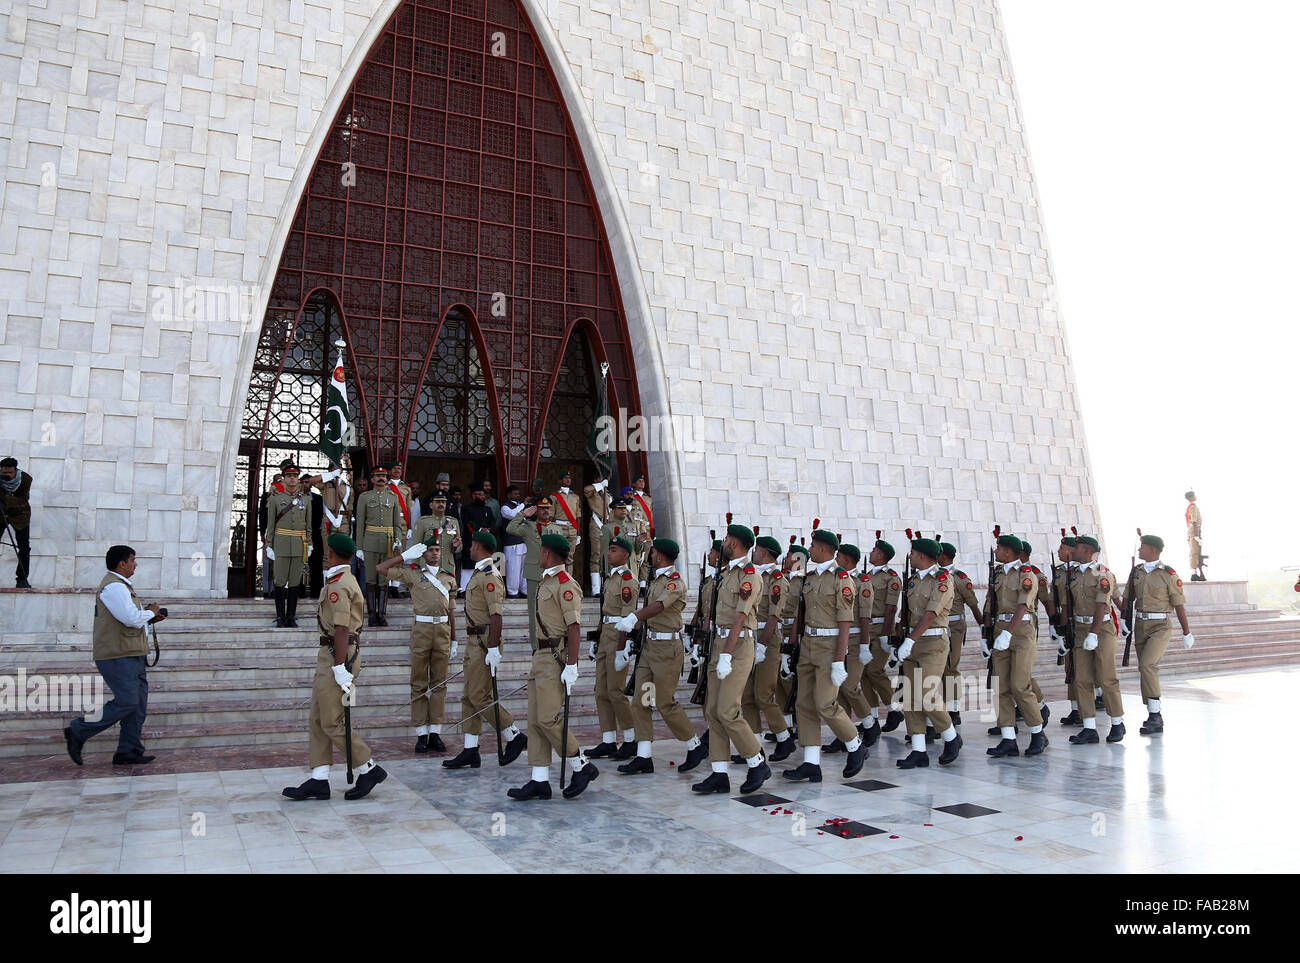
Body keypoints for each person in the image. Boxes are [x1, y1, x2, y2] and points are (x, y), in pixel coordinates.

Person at [282, 533, 387, 800]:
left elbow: (341, 627)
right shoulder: (340, 580)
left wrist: (340, 666)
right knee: (318, 718)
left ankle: (368, 767)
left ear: (330, 553)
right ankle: (319, 778)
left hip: (337, 653)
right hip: (331, 653)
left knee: (332, 719)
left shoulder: (339, 584)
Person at [507, 533, 598, 800]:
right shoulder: (548, 580)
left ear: (548, 554)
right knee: (536, 721)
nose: (539, 555)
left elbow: (574, 626)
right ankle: (539, 780)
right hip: (541, 655)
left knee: (548, 718)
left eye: (541, 551)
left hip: (555, 657)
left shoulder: (564, 584)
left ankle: (580, 764)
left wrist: (572, 664)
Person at [63, 545, 168, 766]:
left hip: (131, 652)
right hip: (117, 654)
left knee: (137, 705)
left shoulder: (121, 586)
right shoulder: (114, 587)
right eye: (133, 559)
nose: (135, 563)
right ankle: (78, 730)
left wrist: (150, 618)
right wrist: (151, 612)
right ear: (122, 563)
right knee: (128, 701)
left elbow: (130, 620)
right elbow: (130, 618)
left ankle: (128, 751)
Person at [614, 538, 708, 776]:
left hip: (667, 651)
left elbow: (658, 606)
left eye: (653, 552)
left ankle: (694, 745)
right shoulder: (656, 578)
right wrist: (630, 643)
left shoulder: (675, 582)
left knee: (665, 702)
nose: (650, 555)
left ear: (661, 555)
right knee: (641, 701)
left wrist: (634, 617)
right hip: (649, 648)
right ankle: (643, 756)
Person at [781, 529, 867, 782]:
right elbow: (799, 612)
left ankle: (855, 745)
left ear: (824, 549)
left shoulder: (842, 579)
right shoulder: (809, 577)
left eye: (813, 546)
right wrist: (790, 646)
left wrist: (840, 659)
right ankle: (811, 762)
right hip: (808, 644)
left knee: (825, 703)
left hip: (830, 647)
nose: (809, 549)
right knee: (804, 704)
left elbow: (845, 621)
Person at [692, 523, 772, 796]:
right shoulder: (725, 574)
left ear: (734, 544)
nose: (722, 543)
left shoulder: (749, 575)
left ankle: (756, 761)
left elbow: (740, 616)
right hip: (719, 644)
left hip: (737, 647)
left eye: (726, 539)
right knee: (713, 710)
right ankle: (719, 773)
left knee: (727, 709)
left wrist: (726, 654)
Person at [444, 532, 528, 768]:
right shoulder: (480, 573)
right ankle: (471, 749)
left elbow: (496, 615)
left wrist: (493, 647)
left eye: (472, 545)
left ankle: (513, 735)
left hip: (483, 641)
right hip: (474, 641)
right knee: (469, 697)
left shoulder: (490, 576)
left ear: (480, 547)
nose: (469, 548)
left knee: (480, 697)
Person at [377, 535, 458, 754]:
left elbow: (452, 609)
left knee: (439, 684)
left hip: (443, 631)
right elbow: (380, 568)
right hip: (421, 631)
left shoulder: (449, 577)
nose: (434, 553)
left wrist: (455, 638)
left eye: (437, 550)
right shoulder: (413, 573)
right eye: (430, 550)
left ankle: (436, 733)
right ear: (423, 554)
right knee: (419, 683)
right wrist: (403, 556)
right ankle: (421, 734)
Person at [894, 538, 962, 769]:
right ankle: (918, 750)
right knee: (910, 697)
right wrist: (897, 637)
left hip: (933, 642)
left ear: (922, 556)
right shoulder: (912, 580)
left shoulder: (942, 580)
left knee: (927, 693)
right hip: (913, 641)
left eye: (912, 553)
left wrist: (910, 641)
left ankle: (951, 737)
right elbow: (907, 612)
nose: (910, 556)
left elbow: (931, 614)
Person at [1120, 534, 1194, 735]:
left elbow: (1179, 604)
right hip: (1141, 624)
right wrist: (1123, 619)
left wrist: (1186, 632)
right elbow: (1127, 597)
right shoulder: (1136, 572)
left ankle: (1155, 715)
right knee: (1144, 669)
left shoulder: (1168, 574)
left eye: (1142, 547)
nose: (1139, 550)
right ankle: (1152, 712)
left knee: (1148, 664)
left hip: (1161, 625)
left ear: (1152, 550)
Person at [984, 534, 1048, 758]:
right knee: (1000, 686)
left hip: (1020, 632)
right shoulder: (999, 573)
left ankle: (1037, 733)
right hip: (1001, 630)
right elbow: (991, 603)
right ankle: (1008, 738)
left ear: (1009, 552)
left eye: (998, 548)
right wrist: (987, 635)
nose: (995, 551)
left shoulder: (1026, 574)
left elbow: (1023, 605)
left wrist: (1008, 634)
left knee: (1020, 685)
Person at [584, 535, 639, 761]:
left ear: (626, 555)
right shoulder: (610, 578)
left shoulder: (628, 579)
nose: (610, 553)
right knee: (601, 691)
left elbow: (628, 616)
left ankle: (630, 739)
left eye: (614, 550)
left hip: (618, 634)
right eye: (609, 549)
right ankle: (608, 740)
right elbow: (604, 612)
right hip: (606, 633)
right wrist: (595, 640)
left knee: (616, 691)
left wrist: (622, 647)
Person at [1067, 535, 1125, 744]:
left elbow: (1102, 604)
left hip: (1101, 629)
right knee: (1082, 678)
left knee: (1106, 676)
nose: (1073, 551)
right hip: (1081, 629)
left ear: (1087, 551)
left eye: (1078, 547)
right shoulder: (1073, 574)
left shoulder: (1102, 574)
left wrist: (1094, 633)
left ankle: (1117, 723)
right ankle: (1089, 727)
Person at [742, 535, 796, 758]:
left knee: (763, 694)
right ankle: (754, 747)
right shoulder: (753, 575)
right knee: (747, 697)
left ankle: (784, 739)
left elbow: (774, 617)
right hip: (751, 636)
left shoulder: (777, 579)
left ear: (764, 553)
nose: (753, 554)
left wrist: (762, 646)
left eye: (756, 550)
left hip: (768, 639)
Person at [505, 496, 565, 648]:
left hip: (553, 574)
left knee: (554, 609)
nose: (545, 510)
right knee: (534, 611)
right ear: (536, 510)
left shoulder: (557, 528)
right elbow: (510, 529)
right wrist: (523, 514)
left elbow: (564, 551)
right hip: (534, 573)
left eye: (547, 508)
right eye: (542, 508)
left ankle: (553, 641)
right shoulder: (528, 526)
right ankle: (535, 645)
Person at [936, 542, 982, 727]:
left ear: (944, 557)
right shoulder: (935, 577)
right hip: (937, 627)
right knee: (939, 669)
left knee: (951, 667)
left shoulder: (959, 578)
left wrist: (984, 632)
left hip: (954, 627)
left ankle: (954, 709)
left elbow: (973, 605)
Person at [263, 465, 313, 628]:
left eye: (295, 475)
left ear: (298, 479)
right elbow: (270, 524)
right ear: (284, 478)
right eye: (289, 475)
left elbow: (308, 525)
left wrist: (309, 543)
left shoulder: (305, 500)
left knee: (294, 582)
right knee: (280, 580)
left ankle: (291, 617)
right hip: (281, 543)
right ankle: (280, 617)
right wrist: (269, 544)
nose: (292, 478)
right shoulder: (276, 499)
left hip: (299, 543)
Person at [354, 466, 403, 626]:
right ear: (372, 479)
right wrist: (359, 547)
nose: (381, 478)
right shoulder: (364, 497)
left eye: (383, 475)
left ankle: (381, 615)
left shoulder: (393, 497)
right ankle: (371, 615)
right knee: (370, 579)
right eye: (378, 476)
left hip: (388, 543)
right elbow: (359, 524)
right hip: (370, 541)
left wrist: (398, 539)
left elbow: (397, 523)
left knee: (384, 579)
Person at [1, 456, 33, 588]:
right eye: (4, 473)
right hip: (1, 514)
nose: (7, 475)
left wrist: (5, 500)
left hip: (20, 516)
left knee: (24, 547)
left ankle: (22, 578)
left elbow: (23, 500)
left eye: (10, 473)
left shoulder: (25, 479)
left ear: (15, 470)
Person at [412, 492, 461, 579]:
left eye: (443, 502)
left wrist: (456, 546)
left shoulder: (453, 522)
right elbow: (416, 547)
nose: (441, 504)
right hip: (427, 566)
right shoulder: (422, 522)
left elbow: (459, 547)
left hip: (447, 566)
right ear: (431, 505)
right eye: (438, 502)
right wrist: (415, 567)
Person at [458, 483, 495, 594]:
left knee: (483, 566)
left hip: (484, 543)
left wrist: (488, 529)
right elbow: (467, 522)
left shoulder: (488, 509)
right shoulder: (466, 509)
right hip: (471, 541)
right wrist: (479, 530)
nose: (481, 497)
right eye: (478, 494)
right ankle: (465, 589)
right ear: (473, 496)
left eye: (483, 495)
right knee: (468, 565)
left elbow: (492, 522)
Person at [550, 469, 583, 577]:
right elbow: (551, 515)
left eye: (569, 478)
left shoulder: (575, 497)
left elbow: (578, 516)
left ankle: (568, 580)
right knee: (559, 556)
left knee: (570, 557)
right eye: (565, 478)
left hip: (572, 529)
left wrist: (578, 533)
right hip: (559, 527)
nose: (568, 480)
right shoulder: (554, 496)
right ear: (560, 481)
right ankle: (558, 579)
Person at [499, 485, 526, 597]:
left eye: (518, 493)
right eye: (515, 494)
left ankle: (524, 591)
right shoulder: (505, 507)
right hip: (511, 543)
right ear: (508, 495)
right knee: (513, 570)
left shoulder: (521, 506)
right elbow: (512, 515)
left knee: (524, 570)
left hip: (524, 542)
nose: (517, 496)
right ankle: (512, 592)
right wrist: (524, 505)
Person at [1185, 491, 1205, 580]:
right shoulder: (1192, 507)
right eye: (1194, 495)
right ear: (1190, 497)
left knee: (1195, 553)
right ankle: (1193, 574)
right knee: (1194, 553)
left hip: (1193, 531)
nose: (1195, 496)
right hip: (1194, 531)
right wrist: (1196, 536)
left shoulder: (1191, 507)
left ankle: (1195, 572)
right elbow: (1194, 522)